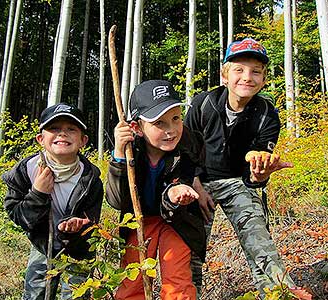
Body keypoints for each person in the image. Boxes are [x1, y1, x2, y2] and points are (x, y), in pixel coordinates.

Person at [185, 38, 298, 297]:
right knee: (189, 251)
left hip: (237, 182)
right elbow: (184, 153)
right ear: (224, 75)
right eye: (239, 69)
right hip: (198, 182)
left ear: (264, 79)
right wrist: (195, 185)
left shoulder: (267, 115)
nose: (247, 77)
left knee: (259, 239)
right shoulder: (203, 104)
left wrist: (259, 175)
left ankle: (278, 293)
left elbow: (254, 176)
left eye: (255, 71)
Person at [106, 80, 206, 299]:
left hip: (177, 220)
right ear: (137, 128)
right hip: (140, 220)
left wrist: (175, 193)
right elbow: (116, 200)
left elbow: (190, 176)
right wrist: (119, 156)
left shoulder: (188, 146)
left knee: (177, 279)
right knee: (133, 280)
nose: (171, 130)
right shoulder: (131, 151)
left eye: (176, 119)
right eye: (159, 123)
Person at [2, 103, 104, 300]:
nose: (62, 134)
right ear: (40, 139)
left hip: (79, 250)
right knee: (35, 294)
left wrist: (78, 227)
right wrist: (38, 194)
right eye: (54, 128)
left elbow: (92, 223)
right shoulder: (27, 171)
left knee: (77, 296)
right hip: (41, 245)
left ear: (83, 140)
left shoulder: (91, 179)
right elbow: (17, 215)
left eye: (71, 129)